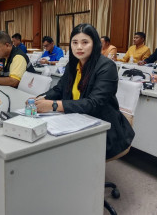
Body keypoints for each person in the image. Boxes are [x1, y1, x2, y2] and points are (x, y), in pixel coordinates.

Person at [35, 24, 135, 159]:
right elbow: (59, 89)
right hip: (75, 120)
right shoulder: (73, 64)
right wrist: (41, 98)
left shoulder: (106, 66)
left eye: (85, 42)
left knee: (62, 154)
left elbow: (94, 103)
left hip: (103, 127)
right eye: (74, 42)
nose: (79, 47)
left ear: (95, 43)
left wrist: (54, 105)